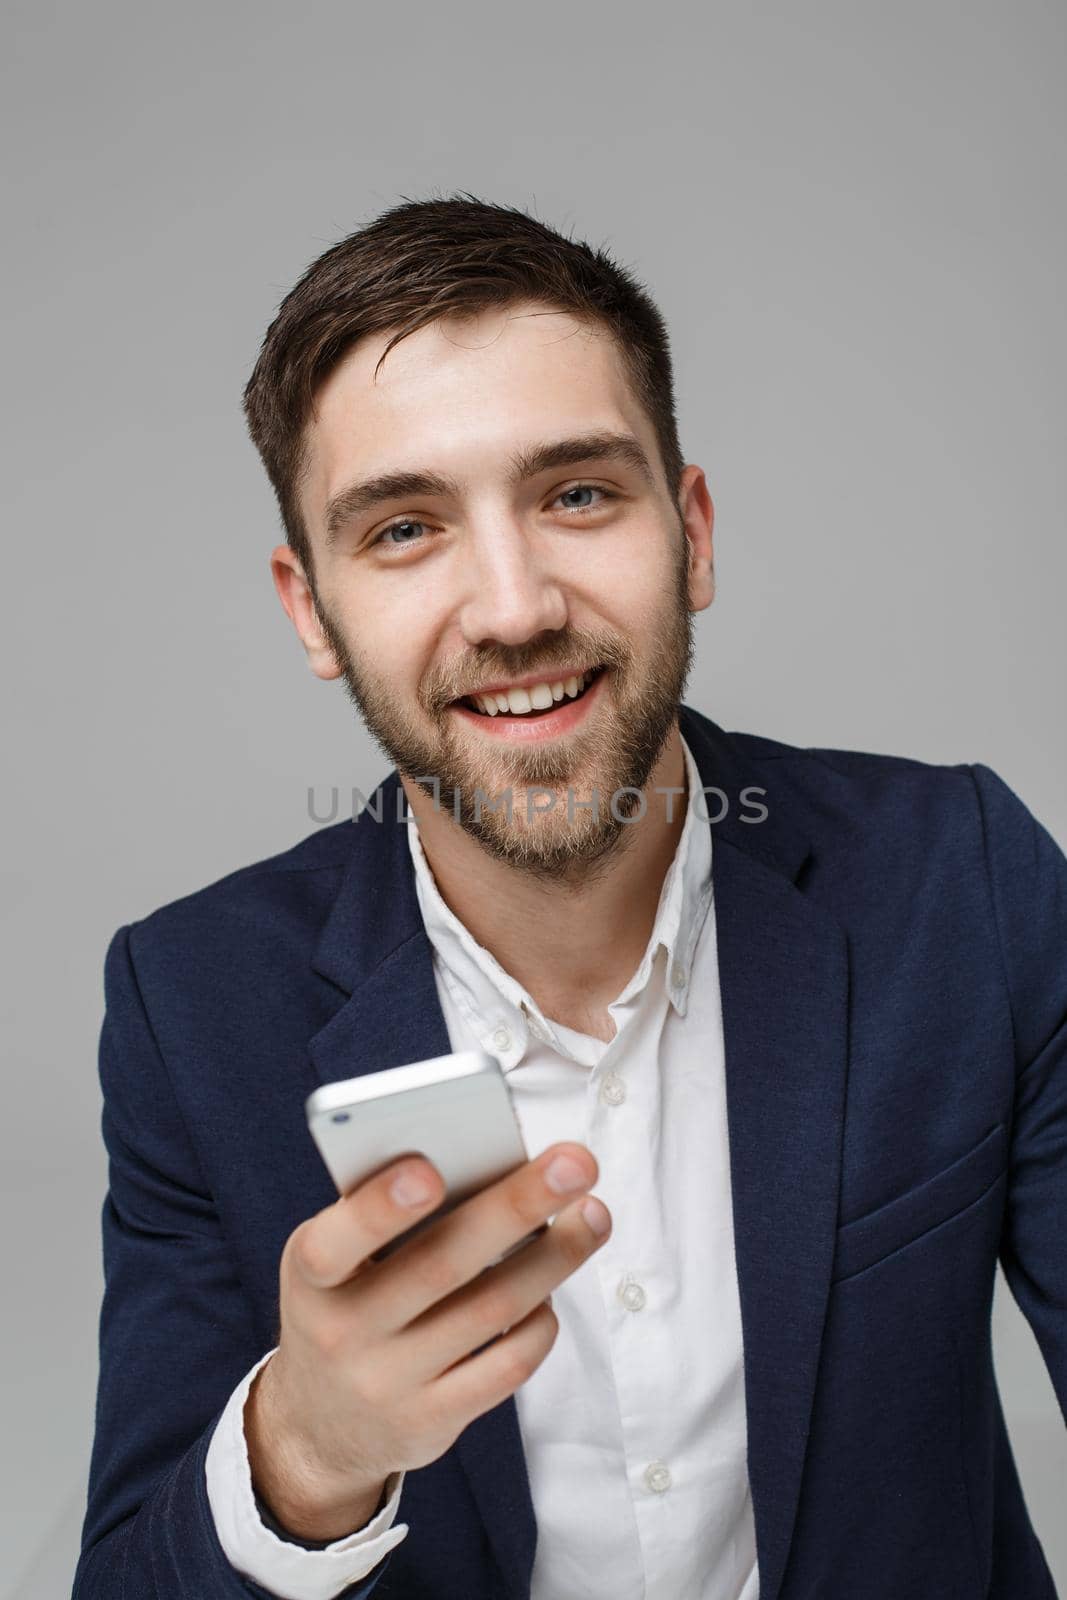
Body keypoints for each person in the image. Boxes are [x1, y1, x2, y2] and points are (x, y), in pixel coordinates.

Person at [73, 194, 1067, 1600]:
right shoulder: (189, 1009)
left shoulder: (959, 881)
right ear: (313, 611)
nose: (515, 605)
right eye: (406, 528)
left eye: (579, 494)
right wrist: (303, 1450)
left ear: (693, 532)